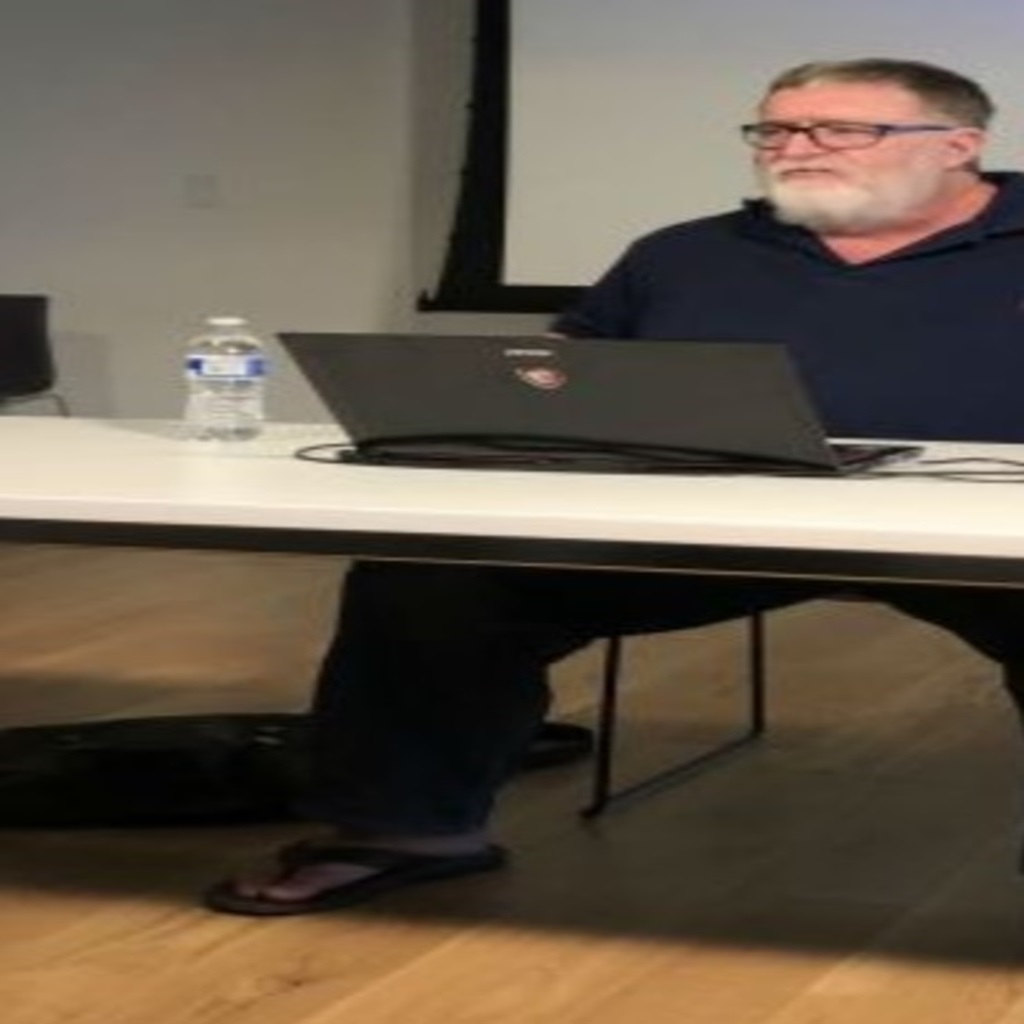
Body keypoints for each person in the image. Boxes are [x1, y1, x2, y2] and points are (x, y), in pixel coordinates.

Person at [204, 57, 1024, 915]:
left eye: (842, 130)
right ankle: (404, 832)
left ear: (958, 146)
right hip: (705, 522)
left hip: (982, 531)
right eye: (776, 130)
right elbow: (562, 374)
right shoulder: (687, 254)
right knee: (436, 578)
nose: (797, 147)